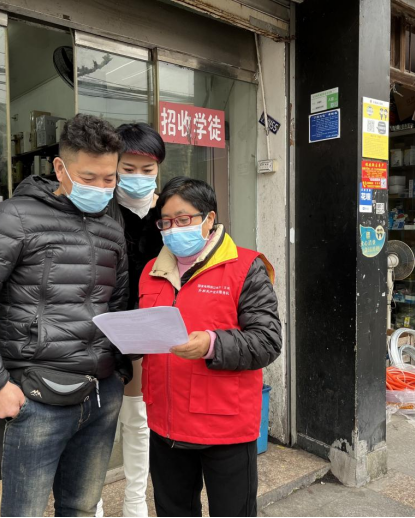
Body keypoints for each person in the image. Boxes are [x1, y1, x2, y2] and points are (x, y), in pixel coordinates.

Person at [0, 114, 132, 518]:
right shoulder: (14, 218)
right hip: (35, 397)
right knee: (21, 511)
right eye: (89, 177)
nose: (101, 188)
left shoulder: (111, 228)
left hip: (101, 396)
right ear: (60, 168)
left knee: (81, 508)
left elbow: (115, 304)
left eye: (109, 178)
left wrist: (118, 371)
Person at [139, 177, 282, 518]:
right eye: (166, 222)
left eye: (183, 219)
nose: (174, 229)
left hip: (225, 426)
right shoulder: (151, 271)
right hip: (166, 423)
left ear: (209, 218)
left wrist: (212, 344)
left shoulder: (246, 267)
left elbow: (268, 340)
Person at [101, 123, 164, 518]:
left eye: (147, 169)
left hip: (147, 327)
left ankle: (135, 500)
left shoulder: (170, 210)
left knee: (138, 417)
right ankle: (91, 502)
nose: (138, 177)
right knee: (100, 419)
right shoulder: (99, 206)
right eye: (128, 168)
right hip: (101, 326)